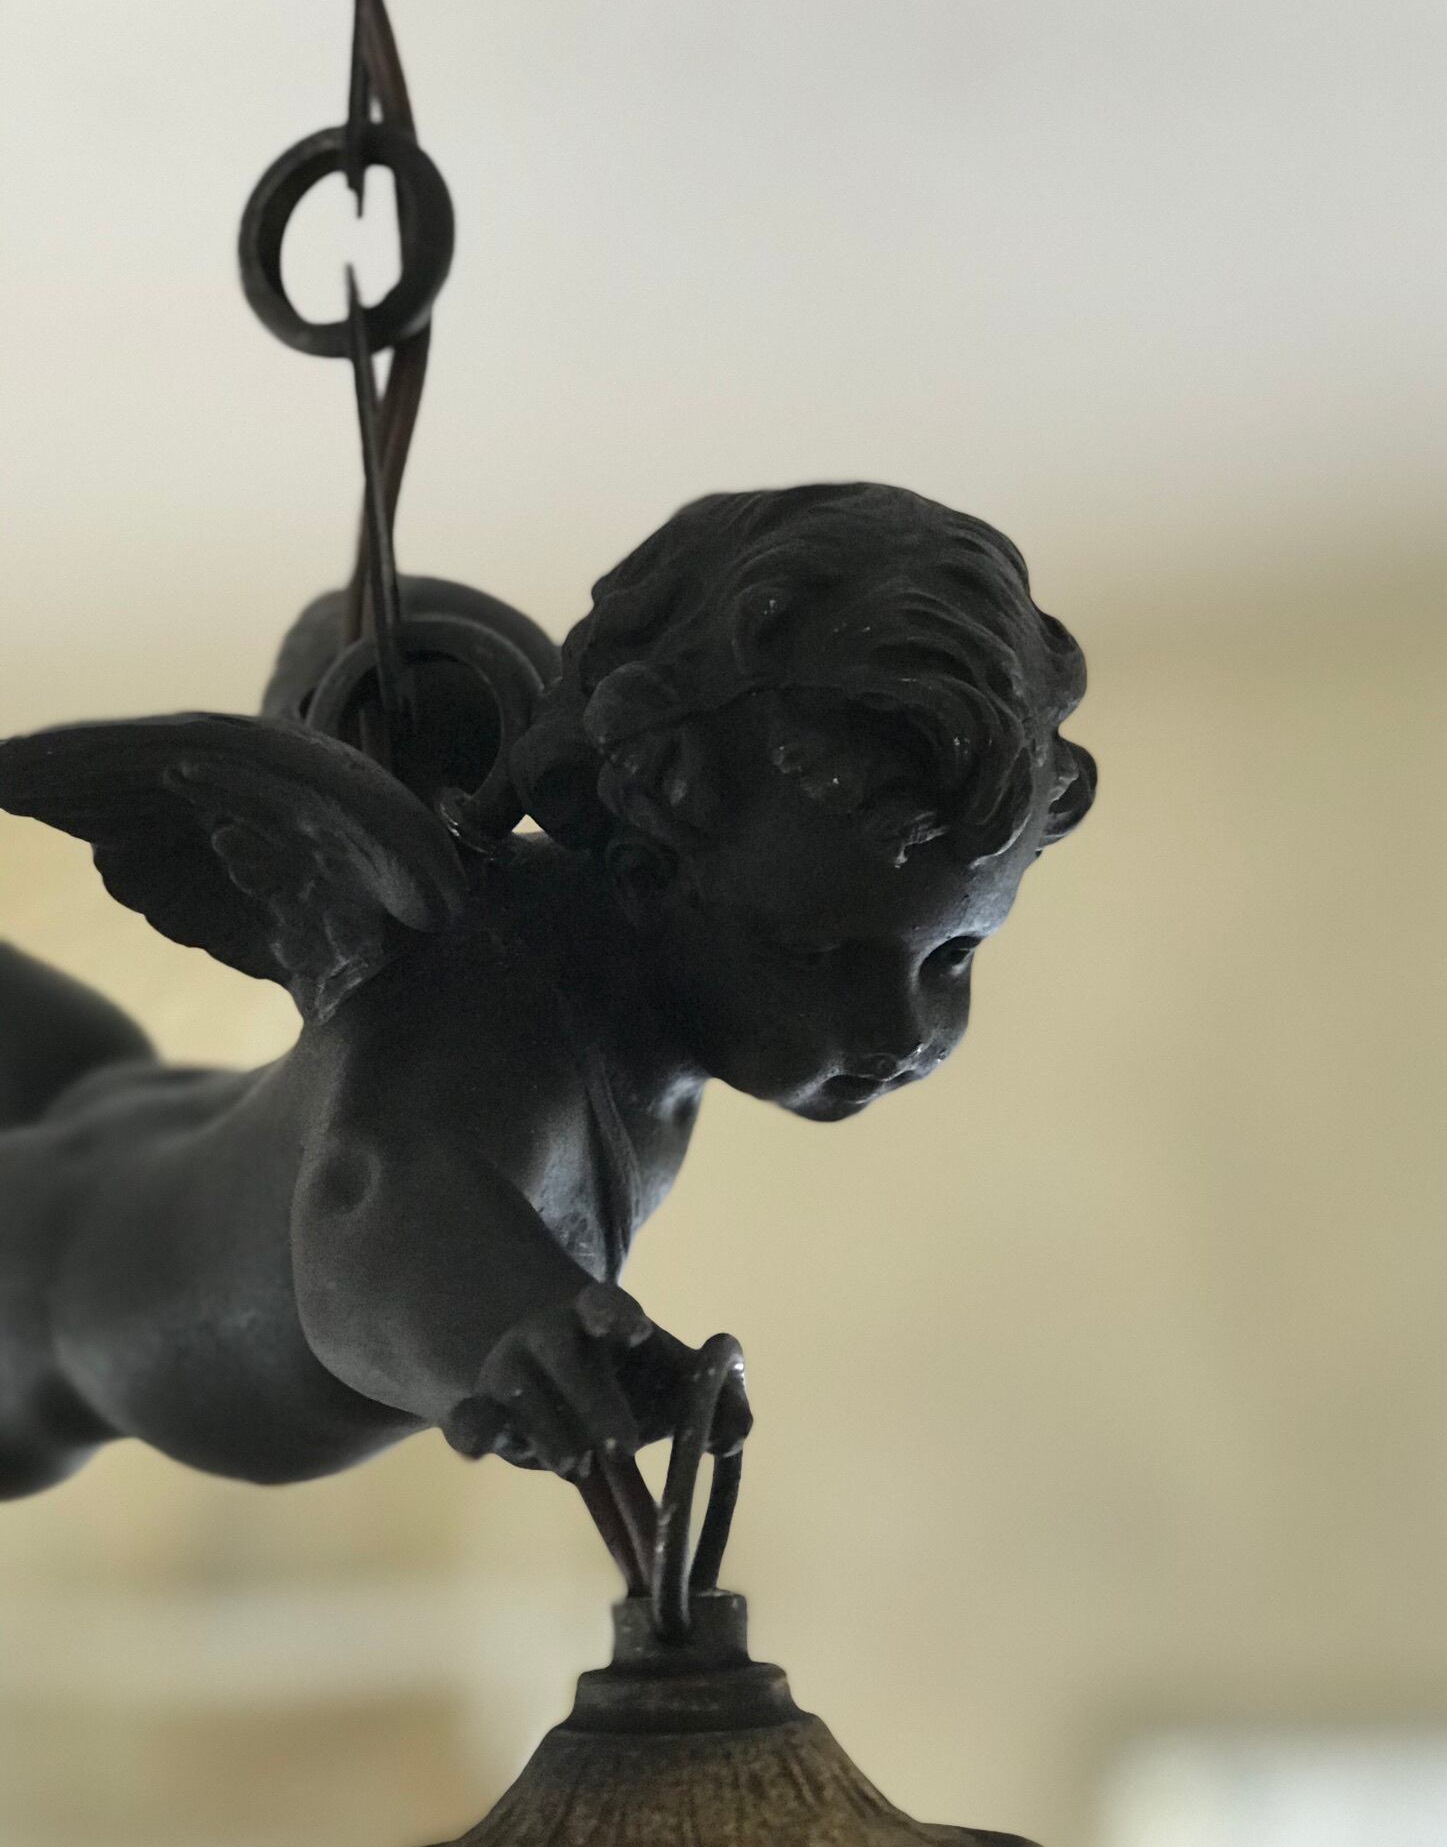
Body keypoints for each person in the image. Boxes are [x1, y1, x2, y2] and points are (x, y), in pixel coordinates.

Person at [0, 482, 1094, 1500]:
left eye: (953, 954)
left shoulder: (610, 982)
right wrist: (513, 1333)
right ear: (647, 868)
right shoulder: (492, 1008)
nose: (902, 1028)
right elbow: (378, 1196)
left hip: (106, 1113)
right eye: (816, 954)